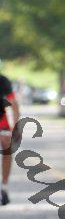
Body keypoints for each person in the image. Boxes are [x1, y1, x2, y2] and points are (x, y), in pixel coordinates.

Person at [0, 71, 19, 205]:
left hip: (2, 122)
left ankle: (4, 186)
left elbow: (14, 104)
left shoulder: (2, 80)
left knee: (7, 147)